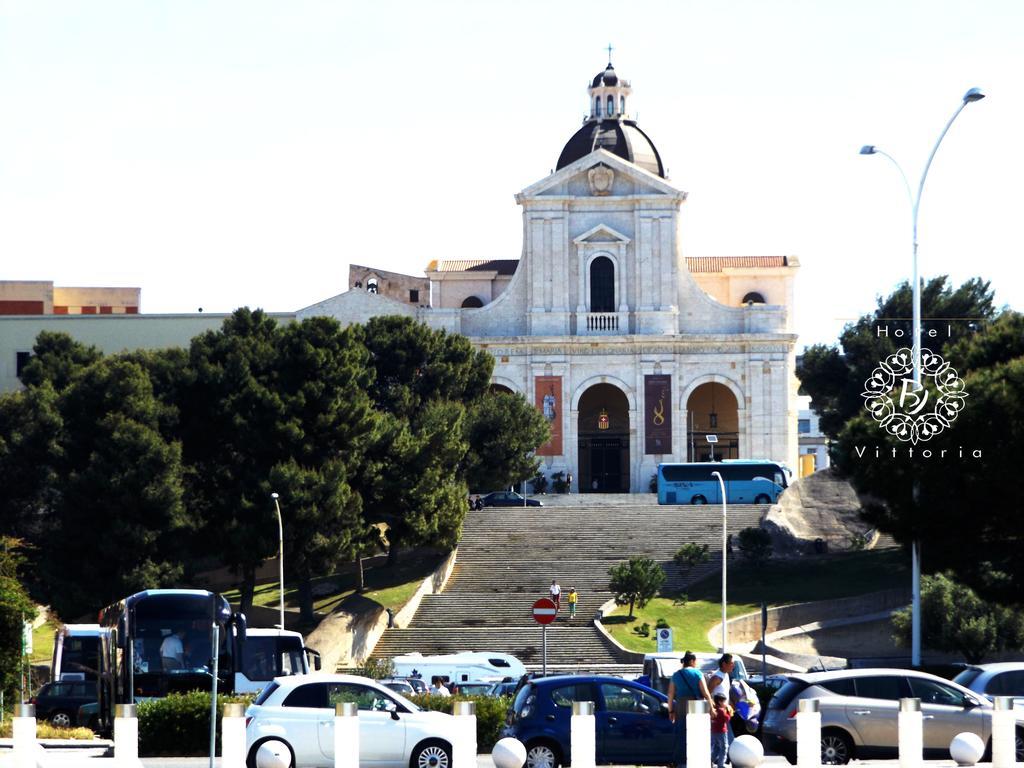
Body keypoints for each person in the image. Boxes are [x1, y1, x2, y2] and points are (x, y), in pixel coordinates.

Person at [666, 651, 714, 768]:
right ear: (692, 661)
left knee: (682, 734)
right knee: (698, 736)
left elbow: (670, 694)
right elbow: (705, 693)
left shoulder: (676, 675)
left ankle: (682, 763)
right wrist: (711, 707)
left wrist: (671, 711)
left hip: (681, 704)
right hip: (697, 704)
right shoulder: (697, 673)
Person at [707, 654, 736, 747]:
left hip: (725, 711)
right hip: (718, 713)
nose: (733, 666)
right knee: (727, 738)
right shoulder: (717, 677)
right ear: (724, 664)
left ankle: (722, 758)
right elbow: (707, 694)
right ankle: (727, 757)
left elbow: (725, 693)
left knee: (724, 738)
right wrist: (713, 709)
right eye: (731, 663)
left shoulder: (725, 675)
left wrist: (730, 705)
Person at [711, 693, 733, 768]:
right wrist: (728, 711)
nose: (726, 703)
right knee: (724, 747)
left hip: (714, 731)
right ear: (720, 702)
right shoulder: (721, 710)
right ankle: (721, 764)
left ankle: (710, 761)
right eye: (724, 702)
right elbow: (727, 719)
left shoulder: (714, 709)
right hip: (721, 731)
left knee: (717, 748)